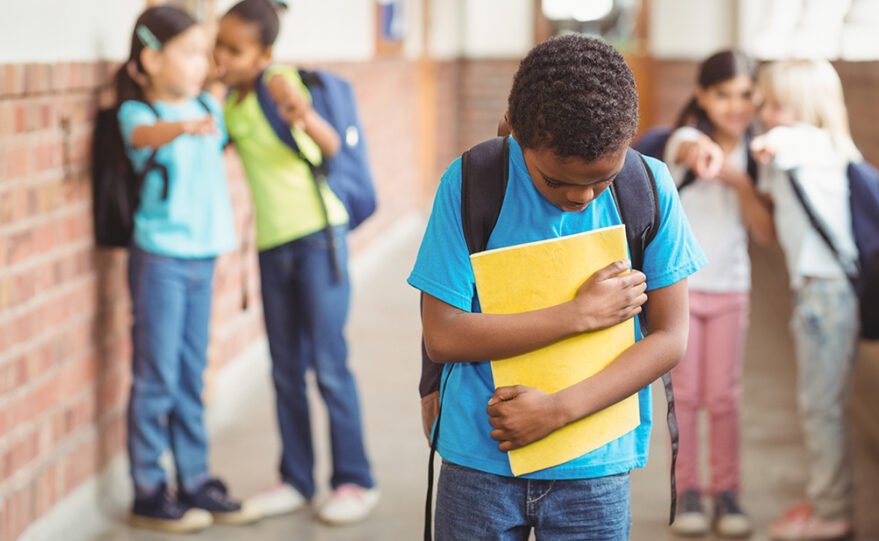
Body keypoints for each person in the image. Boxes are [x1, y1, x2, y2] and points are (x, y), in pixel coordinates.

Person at [408, 34, 707, 540]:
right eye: (555, 180)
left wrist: (557, 411)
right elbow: (443, 334)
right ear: (514, 131)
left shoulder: (649, 189)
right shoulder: (471, 183)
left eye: (601, 179)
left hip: (594, 466)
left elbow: (669, 338)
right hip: (481, 457)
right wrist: (579, 315)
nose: (581, 196)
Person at [213, 0, 377, 525]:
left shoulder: (278, 80)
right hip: (271, 247)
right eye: (218, 44)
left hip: (316, 241)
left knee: (329, 366)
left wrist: (301, 112)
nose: (222, 56)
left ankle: (354, 480)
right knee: (285, 370)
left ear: (263, 53)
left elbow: (328, 145)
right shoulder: (231, 100)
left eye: (233, 50)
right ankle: (297, 478)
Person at [114, 5, 254, 532]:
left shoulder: (206, 106)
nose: (203, 63)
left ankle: (193, 478)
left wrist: (207, 110)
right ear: (150, 58)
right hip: (160, 260)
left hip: (203, 259)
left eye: (205, 53)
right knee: (156, 376)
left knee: (192, 375)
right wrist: (182, 126)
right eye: (191, 52)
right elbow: (144, 140)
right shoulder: (139, 114)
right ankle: (149, 488)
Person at [661, 50, 774, 538]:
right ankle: (686, 490)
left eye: (745, 94)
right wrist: (702, 154)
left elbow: (765, 231)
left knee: (723, 397)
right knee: (684, 396)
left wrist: (740, 180)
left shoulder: (760, 152)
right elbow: (685, 147)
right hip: (681, 292)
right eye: (723, 94)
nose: (735, 105)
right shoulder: (686, 138)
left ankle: (726, 492)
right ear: (703, 96)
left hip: (731, 288)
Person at [751, 59, 862, 541]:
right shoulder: (814, 151)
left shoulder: (809, 142)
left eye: (777, 105)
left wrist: (767, 140)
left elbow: (779, 143)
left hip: (825, 295)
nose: (767, 114)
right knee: (820, 406)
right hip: (819, 294)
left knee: (822, 410)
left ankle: (832, 514)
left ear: (805, 109)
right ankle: (824, 498)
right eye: (766, 104)